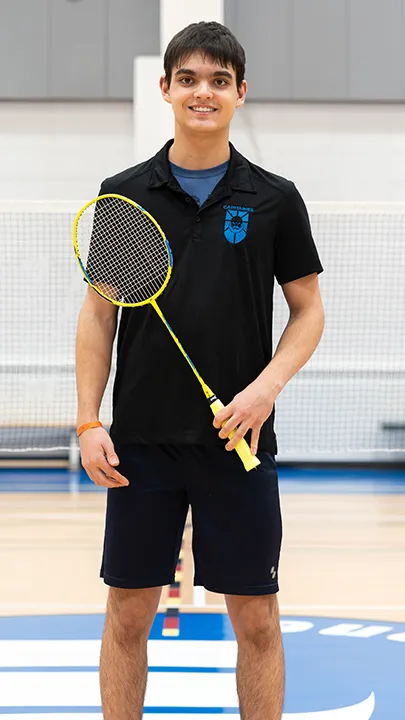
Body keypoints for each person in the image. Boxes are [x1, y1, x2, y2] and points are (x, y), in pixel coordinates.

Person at [76, 20, 324, 720]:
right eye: (187, 78)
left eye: (218, 80)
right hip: (142, 446)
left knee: (257, 621)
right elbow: (100, 317)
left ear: (240, 93)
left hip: (235, 446)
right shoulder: (126, 196)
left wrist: (265, 387)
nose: (202, 92)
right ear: (165, 89)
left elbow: (307, 311)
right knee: (127, 614)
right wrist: (90, 419)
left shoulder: (271, 198)